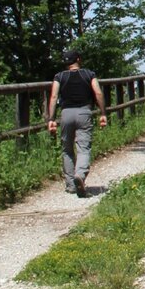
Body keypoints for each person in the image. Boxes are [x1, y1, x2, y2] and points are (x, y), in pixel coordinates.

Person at [46, 49, 108, 198]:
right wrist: (103, 113)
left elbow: (54, 97)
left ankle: (71, 185)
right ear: (78, 59)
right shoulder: (89, 74)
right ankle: (80, 174)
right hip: (84, 113)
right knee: (83, 147)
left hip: (66, 113)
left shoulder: (59, 76)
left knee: (67, 148)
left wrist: (51, 119)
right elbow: (98, 93)